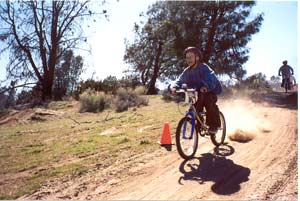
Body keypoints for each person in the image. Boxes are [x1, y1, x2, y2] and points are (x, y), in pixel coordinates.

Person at [170, 47, 222, 134]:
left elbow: (210, 77)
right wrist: (174, 87)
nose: (188, 59)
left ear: (197, 57)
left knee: (209, 102)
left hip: (210, 90)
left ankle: (214, 126)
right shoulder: (187, 71)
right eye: (187, 57)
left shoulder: (204, 67)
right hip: (197, 92)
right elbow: (179, 80)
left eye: (190, 56)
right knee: (194, 108)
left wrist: (206, 86)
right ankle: (198, 125)